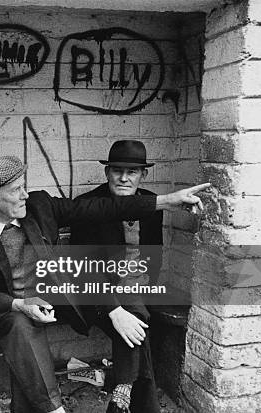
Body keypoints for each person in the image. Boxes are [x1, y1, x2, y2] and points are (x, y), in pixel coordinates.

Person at [0, 155, 209, 413]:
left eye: (24, 186)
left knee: (130, 309)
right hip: (11, 307)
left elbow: (104, 208)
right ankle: (55, 409)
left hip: (55, 295)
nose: (25, 195)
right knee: (21, 325)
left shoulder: (41, 205)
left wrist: (167, 201)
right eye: (16, 190)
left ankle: (125, 398)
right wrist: (20, 304)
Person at [69, 140, 163, 413]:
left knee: (137, 318)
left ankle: (122, 398)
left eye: (132, 172)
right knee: (138, 320)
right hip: (98, 295)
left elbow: (154, 257)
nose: (124, 178)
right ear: (107, 172)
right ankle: (128, 393)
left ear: (143, 175)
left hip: (136, 295)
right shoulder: (88, 206)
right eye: (117, 170)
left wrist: (146, 291)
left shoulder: (151, 205)